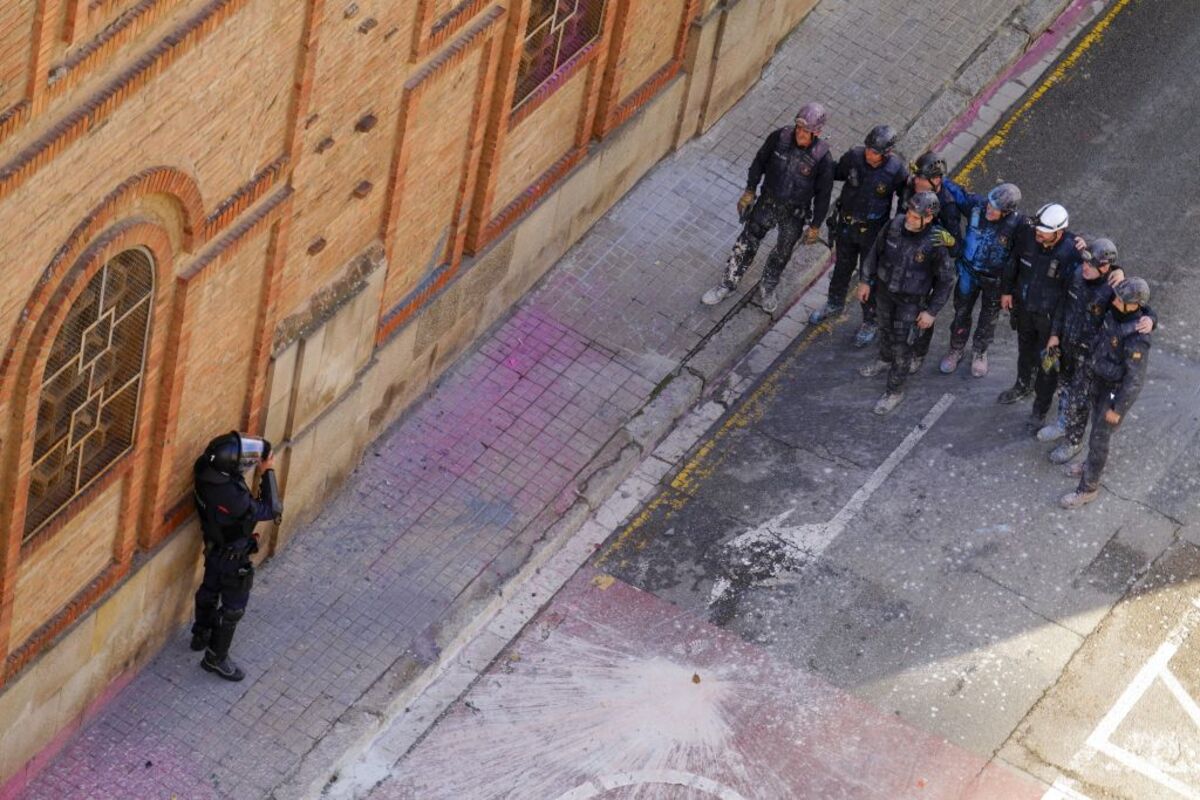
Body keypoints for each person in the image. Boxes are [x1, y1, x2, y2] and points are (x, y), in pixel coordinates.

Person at [702, 102, 835, 314]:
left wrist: (816, 225)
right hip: (767, 202)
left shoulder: (823, 159)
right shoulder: (779, 138)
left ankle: (768, 287)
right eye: (799, 128)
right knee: (746, 243)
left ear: (817, 133)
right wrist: (749, 190)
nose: (801, 133)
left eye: (807, 131)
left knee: (782, 252)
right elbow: (759, 162)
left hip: (794, 213)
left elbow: (823, 195)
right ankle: (727, 284)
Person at [1044, 241, 1153, 462]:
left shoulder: (1116, 290)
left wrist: (1152, 319)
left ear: (1104, 268)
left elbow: (1141, 308)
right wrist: (1055, 334)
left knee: (1079, 401)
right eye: (1084, 261)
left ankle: (1073, 442)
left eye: (1090, 265)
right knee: (1063, 389)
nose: (1084, 267)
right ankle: (1062, 424)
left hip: (1090, 358)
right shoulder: (1077, 275)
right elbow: (1063, 306)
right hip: (1066, 345)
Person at [191, 432, 282, 681]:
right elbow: (272, 509)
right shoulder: (232, 497)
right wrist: (268, 471)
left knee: (209, 590)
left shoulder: (204, 469)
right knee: (233, 609)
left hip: (214, 546)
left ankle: (201, 634)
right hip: (233, 556)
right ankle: (215, 658)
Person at [855, 191, 955, 414]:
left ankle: (894, 390)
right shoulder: (894, 225)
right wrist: (865, 280)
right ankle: (883, 358)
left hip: (912, 301)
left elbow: (946, 281)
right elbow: (874, 253)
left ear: (928, 218)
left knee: (903, 345)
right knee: (884, 329)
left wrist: (931, 311)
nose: (909, 217)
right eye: (909, 212)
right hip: (885, 292)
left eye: (915, 215)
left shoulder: (936, 243)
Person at [1060, 278, 1153, 509]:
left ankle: (1088, 488)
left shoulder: (1138, 337)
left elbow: (1134, 380)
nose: (1116, 301)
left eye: (1122, 300)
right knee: (1095, 430)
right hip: (1099, 380)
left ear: (1134, 305)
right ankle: (1090, 465)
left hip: (1113, 392)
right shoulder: (1116, 312)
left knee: (1100, 438)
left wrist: (1117, 409)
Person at [809, 125, 908, 339]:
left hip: (873, 233)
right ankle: (834, 303)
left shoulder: (897, 170)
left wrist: (896, 229)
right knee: (842, 268)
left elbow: (904, 200)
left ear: (887, 153)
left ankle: (870, 321)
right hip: (846, 226)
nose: (869, 154)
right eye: (868, 149)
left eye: (875, 152)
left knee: (869, 276)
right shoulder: (854, 156)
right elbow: (836, 172)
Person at [999, 202, 1079, 433]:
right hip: (1025, 311)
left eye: (1044, 233)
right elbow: (1013, 262)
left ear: (1059, 232)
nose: (1039, 236)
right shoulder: (1029, 236)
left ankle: (1039, 410)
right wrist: (1007, 291)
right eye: (1038, 231)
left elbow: (1098, 271)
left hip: (1051, 322)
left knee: (1048, 367)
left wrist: (1056, 333)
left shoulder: (1072, 252)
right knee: (1025, 352)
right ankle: (1023, 385)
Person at [937, 182, 1023, 377]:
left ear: (1008, 212)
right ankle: (956, 348)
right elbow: (957, 192)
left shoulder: (1019, 224)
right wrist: (937, 178)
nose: (989, 210)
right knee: (961, 311)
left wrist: (1079, 245)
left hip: (995, 280)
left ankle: (980, 352)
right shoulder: (977, 206)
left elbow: (1046, 233)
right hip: (968, 272)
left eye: (995, 209)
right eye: (989, 205)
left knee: (988, 318)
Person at [899, 152, 964, 363]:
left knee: (923, 311)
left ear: (935, 181)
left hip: (930, 262)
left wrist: (948, 241)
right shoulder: (912, 187)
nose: (915, 181)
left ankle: (918, 353)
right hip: (906, 252)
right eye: (916, 176)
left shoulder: (947, 204)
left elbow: (955, 246)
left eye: (921, 178)